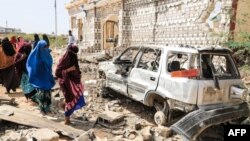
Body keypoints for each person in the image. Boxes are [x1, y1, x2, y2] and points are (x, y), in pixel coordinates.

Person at [55, 44, 85, 124]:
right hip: (66, 83)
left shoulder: (73, 58)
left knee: (73, 99)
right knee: (69, 99)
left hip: (75, 83)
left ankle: (64, 106)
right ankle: (67, 120)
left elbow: (77, 70)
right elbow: (57, 72)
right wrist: (68, 70)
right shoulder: (63, 60)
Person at [26, 40, 55, 114]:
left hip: (47, 76)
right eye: (43, 47)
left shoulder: (47, 54)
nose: (45, 48)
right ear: (39, 47)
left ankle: (47, 107)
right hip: (39, 78)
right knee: (41, 94)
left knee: (48, 93)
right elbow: (30, 65)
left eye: (46, 46)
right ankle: (42, 108)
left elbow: (50, 64)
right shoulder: (34, 55)